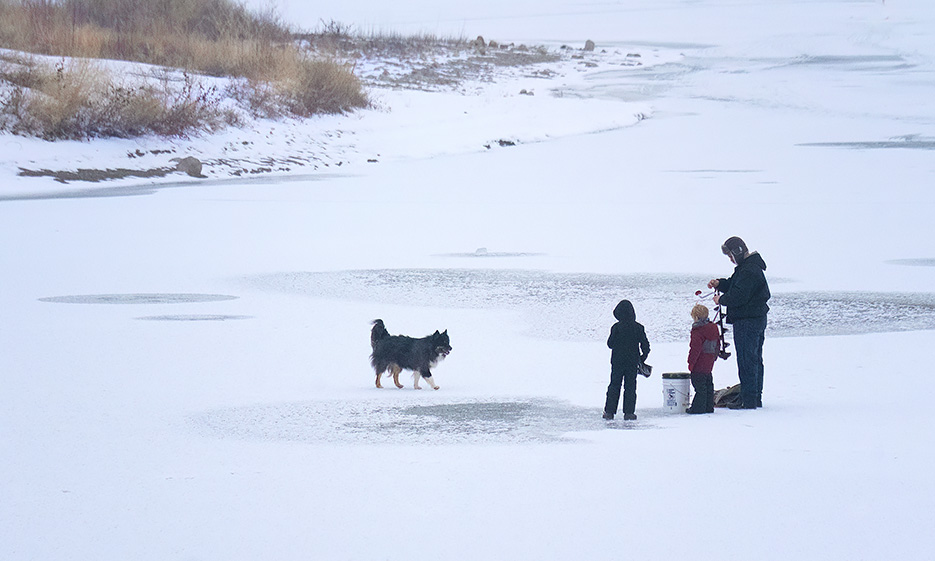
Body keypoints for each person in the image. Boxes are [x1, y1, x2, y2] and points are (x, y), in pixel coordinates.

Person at [708, 236, 770, 409]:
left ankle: (749, 400)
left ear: (738, 252)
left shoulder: (749, 270)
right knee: (754, 359)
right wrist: (720, 284)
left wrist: (721, 300)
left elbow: (738, 296)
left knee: (747, 360)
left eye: (730, 256)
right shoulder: (748, 268)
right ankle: (754, 398)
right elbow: (735, 286)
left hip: (747, 321)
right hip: (755, 318)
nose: (730, 259)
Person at [603, 299, 650, 421]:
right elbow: (645, 346)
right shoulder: (639, 327)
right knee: (630, 387)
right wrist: (642, 358)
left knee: (614, 385)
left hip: (617, 361)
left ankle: (609, 412)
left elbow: (610, 344)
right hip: (632, 362)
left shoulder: (616, 327)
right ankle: (629, 413)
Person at [686, 304, 719, 414]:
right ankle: (709, 406)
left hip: (699, 362)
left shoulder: (697, 330)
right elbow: (717, 343)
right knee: (708, 384)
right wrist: (714, 356)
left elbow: (695, 348)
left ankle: (698, 408)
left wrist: (691, 362)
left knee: (699, 387)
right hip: (710, 359)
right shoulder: (713, 327)